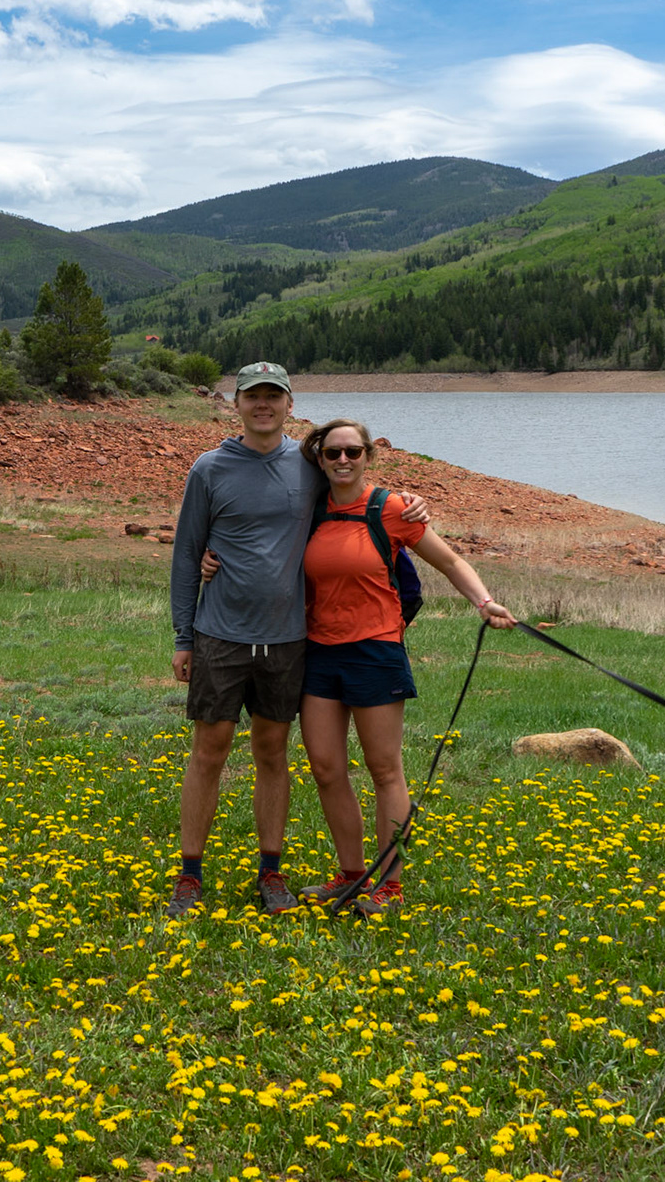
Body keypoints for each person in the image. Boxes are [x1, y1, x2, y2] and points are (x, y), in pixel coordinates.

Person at [167, 363, 427, 918]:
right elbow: (188, 554)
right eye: (252, 396)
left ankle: (271, 871)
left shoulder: (310, 466)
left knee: (272, 753)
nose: (263, 405)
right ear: (235, 403)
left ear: (290, 404)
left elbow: (356, 493)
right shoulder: (208, 469)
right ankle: (190, 874)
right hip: (219, 634)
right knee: (208, 751)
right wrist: (183, 635)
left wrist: (409, 502)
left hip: (289, 641)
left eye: (274, 397)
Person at [292, 417, 515, 914]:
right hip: (318, 652)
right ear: (320, 458)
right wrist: (210, 561)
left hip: (375, 650)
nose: (343, 461)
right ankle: (351, 877)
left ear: (369, 456)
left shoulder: (391, 508)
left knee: (385, 769)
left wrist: (485, 602)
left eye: (353, 452)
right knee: (326, 769)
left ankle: (388, 886)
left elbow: (451, 562)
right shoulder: (307, 509)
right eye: (333, 453)